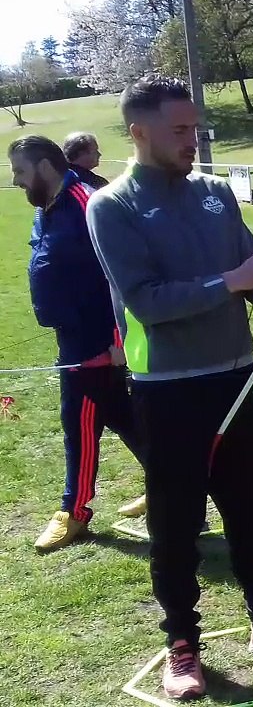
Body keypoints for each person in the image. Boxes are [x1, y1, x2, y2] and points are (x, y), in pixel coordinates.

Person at [86, 74, 253, 701]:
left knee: (249, 513)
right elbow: (146, 301)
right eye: (180, 130)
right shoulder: (111, 206)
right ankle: (181, 643)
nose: (194, 139)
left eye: (196, 127)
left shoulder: (216, 193)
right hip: (167, 389)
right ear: (139, 132)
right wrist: (233, 279)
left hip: (236, 380)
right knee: (176, 523)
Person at [7, 135, 147, 552]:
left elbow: (123, 273)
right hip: (71, 338)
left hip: (97, 344)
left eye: (19, 171)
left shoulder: (89, 202)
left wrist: (119, 340)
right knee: (123, 417)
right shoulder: (46, 208)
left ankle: (75, 512)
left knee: (79, 424)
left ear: (45, 167)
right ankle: (172, 487)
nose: (15, 180)